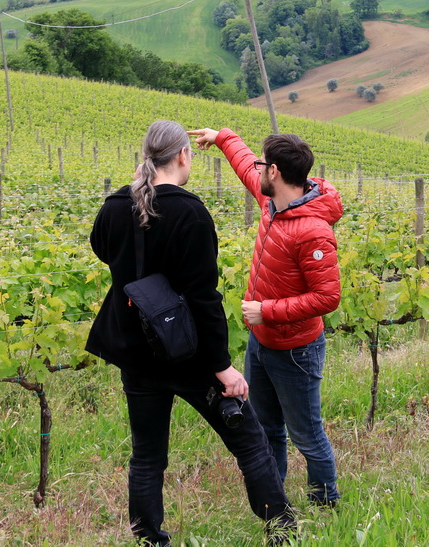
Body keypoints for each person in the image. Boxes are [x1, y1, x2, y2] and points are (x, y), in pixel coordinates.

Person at [85, 120, 296, 546]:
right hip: (188, 354)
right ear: (184, 155)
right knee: (251, 443)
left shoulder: (113, 207)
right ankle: (284, 532)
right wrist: (222, 368)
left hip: (136, 355)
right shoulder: (190, 213)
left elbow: (103, 250)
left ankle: (149, 540)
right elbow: (203, 299)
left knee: (147, 457)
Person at [189, 127, 342, 507]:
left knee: (306, 435)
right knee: (266, 429)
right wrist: (221, 136)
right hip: (263, 343)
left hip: (296, 350)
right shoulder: (270, 201)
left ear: (273, 171)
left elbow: (329, 297)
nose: (255, 170)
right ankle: (276, 503)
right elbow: (244, 164)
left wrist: (267, 311)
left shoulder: (312, 232)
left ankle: (326, 505)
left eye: (262, 165)